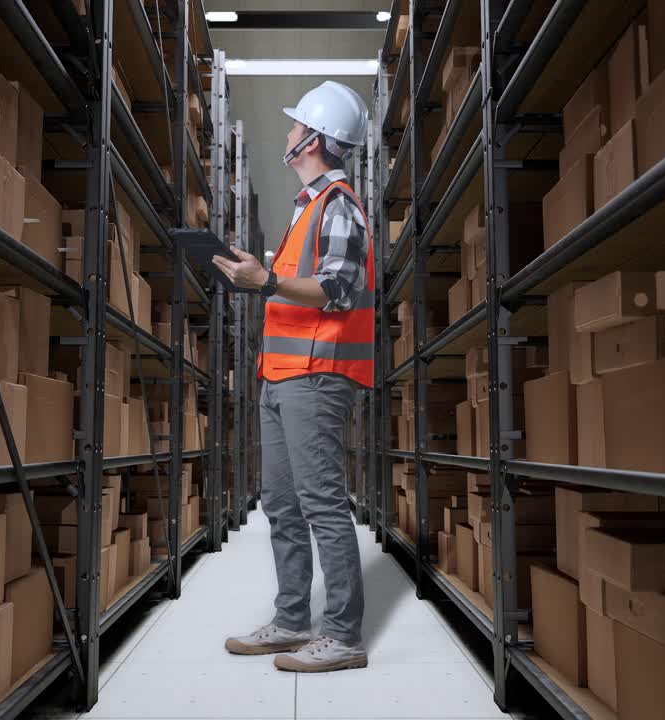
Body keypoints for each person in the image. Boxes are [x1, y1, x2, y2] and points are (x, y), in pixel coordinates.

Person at [212, 81, 375, 673]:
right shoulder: (308, 207)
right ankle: (290, 620)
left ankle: (343, 635)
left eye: (294, 125)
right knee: (282, 505)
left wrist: (266, 282)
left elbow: (336, 288)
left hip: (318, 375)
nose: (286, 133)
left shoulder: (338, 204)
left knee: (322, 505)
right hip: (281, 375)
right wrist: (256, 274)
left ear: (313, 138)